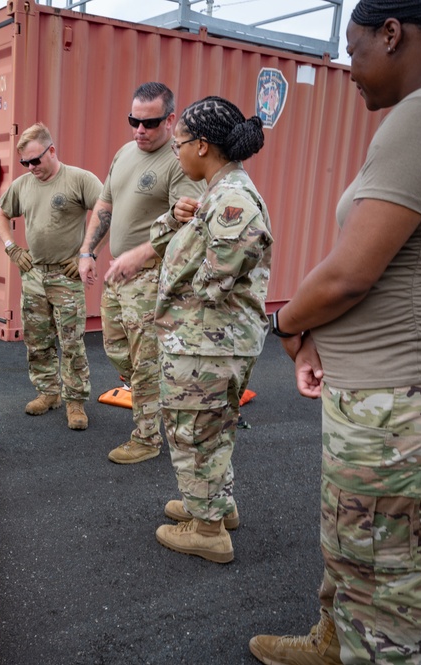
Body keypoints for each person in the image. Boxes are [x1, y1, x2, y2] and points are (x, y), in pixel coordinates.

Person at [249, 1, 421, 662]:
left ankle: (356, 647)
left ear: (391, 34)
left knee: (382, 589)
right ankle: (332, 644)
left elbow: (348, 275)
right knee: (362, 550)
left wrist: (286, 325)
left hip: (404, 399)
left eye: (353, 47)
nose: (346, 66)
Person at [149, 97, 271, 564]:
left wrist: (168, 317)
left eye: (178, 143)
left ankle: (208, 530)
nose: (175, 152)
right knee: (212, 429)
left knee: (193, 432)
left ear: (202, 146)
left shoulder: (232, 201)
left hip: (206, 344)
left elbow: (212, 283)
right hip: (209, 342)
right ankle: (215, 504)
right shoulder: (219, 195)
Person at [77, 81, 205, 464]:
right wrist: (87, 251)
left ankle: (148, 438)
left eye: (149, 123)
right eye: (134, 120)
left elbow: (187, 228)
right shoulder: (124, 154)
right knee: (118, 350)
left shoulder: (178, 162)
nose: (139, 130)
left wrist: (140, 255)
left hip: (150, 277)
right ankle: (166, 402)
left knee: (145, 358)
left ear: (170, 120)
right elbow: (105, 204)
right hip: (120, 273)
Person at [0, 123, 101, 430]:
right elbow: (1, 215)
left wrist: (87, 253)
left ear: (51, 151)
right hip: (34, 275)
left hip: (66, 276)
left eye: (35, 161)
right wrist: (12, 248)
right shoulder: (23, 185)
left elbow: (106, 211)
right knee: (37, 340)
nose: (31, 168)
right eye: (25, 163)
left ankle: (75, 401)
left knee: (71, 342)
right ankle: (48, 393)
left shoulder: (79, 179)